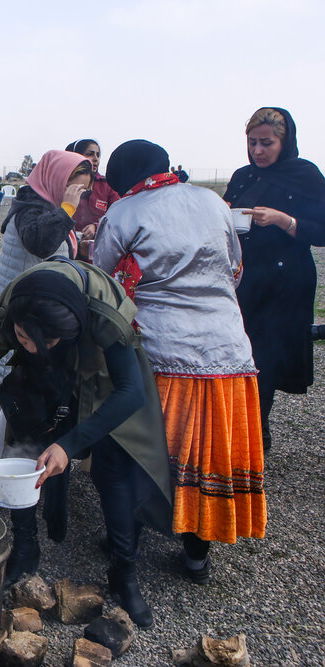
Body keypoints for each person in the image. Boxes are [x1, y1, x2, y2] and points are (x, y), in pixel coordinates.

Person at [0, 260, 173, 629]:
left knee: (116, 465)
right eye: (22, 339)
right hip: (43, 366)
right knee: (25, 446)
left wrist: (70, 444)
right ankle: (25, 547)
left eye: (46, 342)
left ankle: (124, 571)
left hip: (99, 369)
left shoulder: (103, 314)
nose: (34, 349)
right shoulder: (11, 314)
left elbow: (131, 393)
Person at [95, 139, 265, 586]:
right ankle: (196, 552)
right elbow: (235, 269)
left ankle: (126, 538)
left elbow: (104, 277)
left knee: (146, 449)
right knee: (207, 453)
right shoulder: (212, 201)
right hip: (227, 350)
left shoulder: (125, 212)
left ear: (123, 178)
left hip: (163, 355)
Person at [223, 107, 325, 451]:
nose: (258, 151)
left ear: (285, 141)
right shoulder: (242, 175)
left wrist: (285, 220)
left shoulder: (305, 174)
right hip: (244, 279)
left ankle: (255, 435)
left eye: (266, 143)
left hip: (285, 283)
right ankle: (248, 429)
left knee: (266, 359)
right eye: (252, 143)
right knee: (240, 355)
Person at [0, 150, 90, 427]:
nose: (78, 196)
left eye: (83, 192)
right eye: (75, 189)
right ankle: (8, 432)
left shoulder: (46, 204)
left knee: (20, 370)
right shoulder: (32, 207)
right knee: (11, 370)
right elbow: (41, 242)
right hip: (19, 309)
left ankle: (16, 429)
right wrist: (68, 209)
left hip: (29, 305)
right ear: (58, 180)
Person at [64, 139, 120, 237]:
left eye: (98, 155)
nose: (95, 159)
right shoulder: (62, 181)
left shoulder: (107, 185)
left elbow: (117, 217)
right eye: (90, 154)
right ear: (75, 155)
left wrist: (96, 227)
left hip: (95, 244)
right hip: (66, 240)